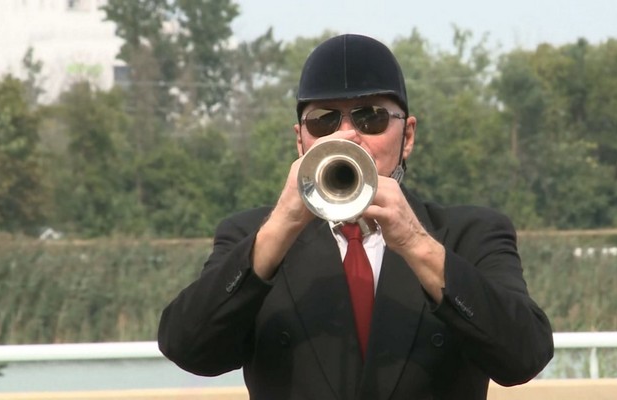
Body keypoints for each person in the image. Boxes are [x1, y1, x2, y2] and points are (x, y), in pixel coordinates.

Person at [158, 33, 554, 400]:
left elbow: (524, 356)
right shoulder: (252, 236)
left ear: (408, 137)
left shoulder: (471, 234)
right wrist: (281, 226)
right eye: (324, 120)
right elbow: (190, 349)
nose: (347, 136)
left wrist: (416, 244)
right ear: (301, 139)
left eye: (371, 118)